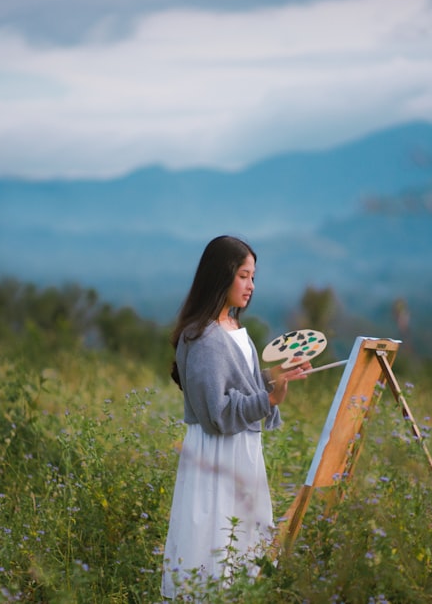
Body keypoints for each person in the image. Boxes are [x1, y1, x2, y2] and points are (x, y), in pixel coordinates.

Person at [161, 235, 310, 599]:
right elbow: (219, 413)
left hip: (239, 449)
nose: (251, 286)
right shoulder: (204, 338)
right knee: (213, 538)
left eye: (253, 277)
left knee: (240, 539)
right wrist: (270, 398)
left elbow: (239, 387)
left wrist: (274, 378)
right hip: (217, 452)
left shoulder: (231, 327)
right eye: (244, 276)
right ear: (221, 276)